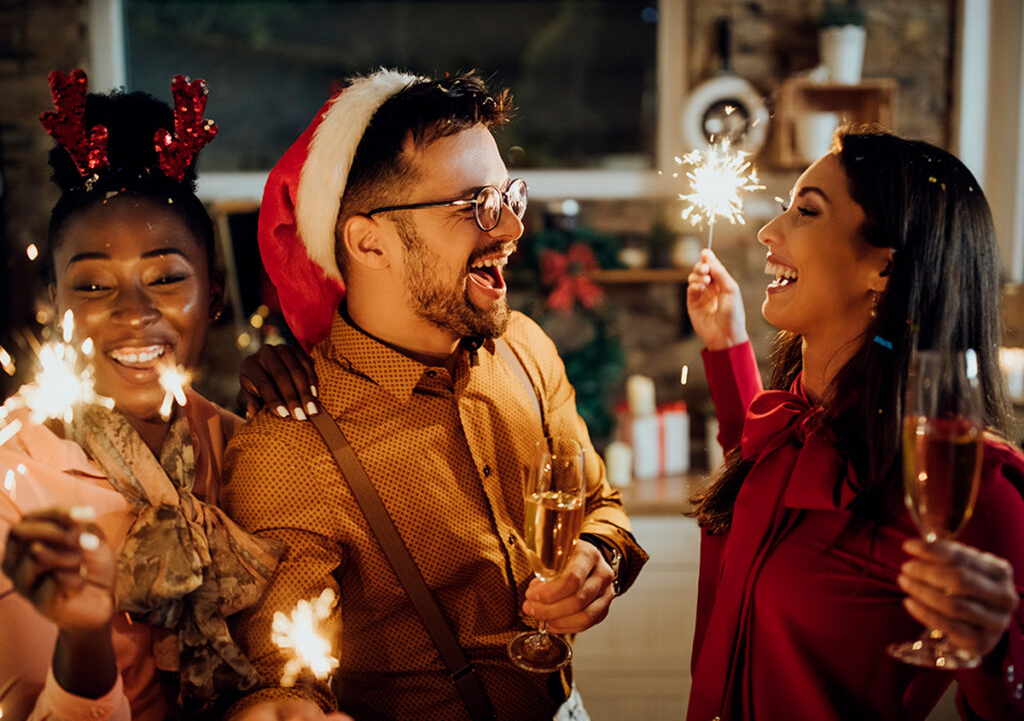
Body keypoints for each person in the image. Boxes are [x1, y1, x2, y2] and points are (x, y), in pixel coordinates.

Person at [221, 70, 648, 721]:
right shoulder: (291, 448)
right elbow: (282, 679)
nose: (510, 229)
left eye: (510, 196)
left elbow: (599, 502)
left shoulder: (525, 348)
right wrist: (281, 706)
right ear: (369, 241)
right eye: (475, 203)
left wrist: (601, 556)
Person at [0, 70, 331, 721]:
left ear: (215, 295)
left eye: (166, 277)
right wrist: (85, 633)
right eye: (94, 286)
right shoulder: (15, 477)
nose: (133, 311)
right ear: (51, 301)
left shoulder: (238, 444)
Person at [684, 124, 1023, 720]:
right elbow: (761, 473)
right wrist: (727, 346)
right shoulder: (795, 420)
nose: (768, 231)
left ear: (883, 270)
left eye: (807, 212)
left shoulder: (969, 484)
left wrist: (994, 653)